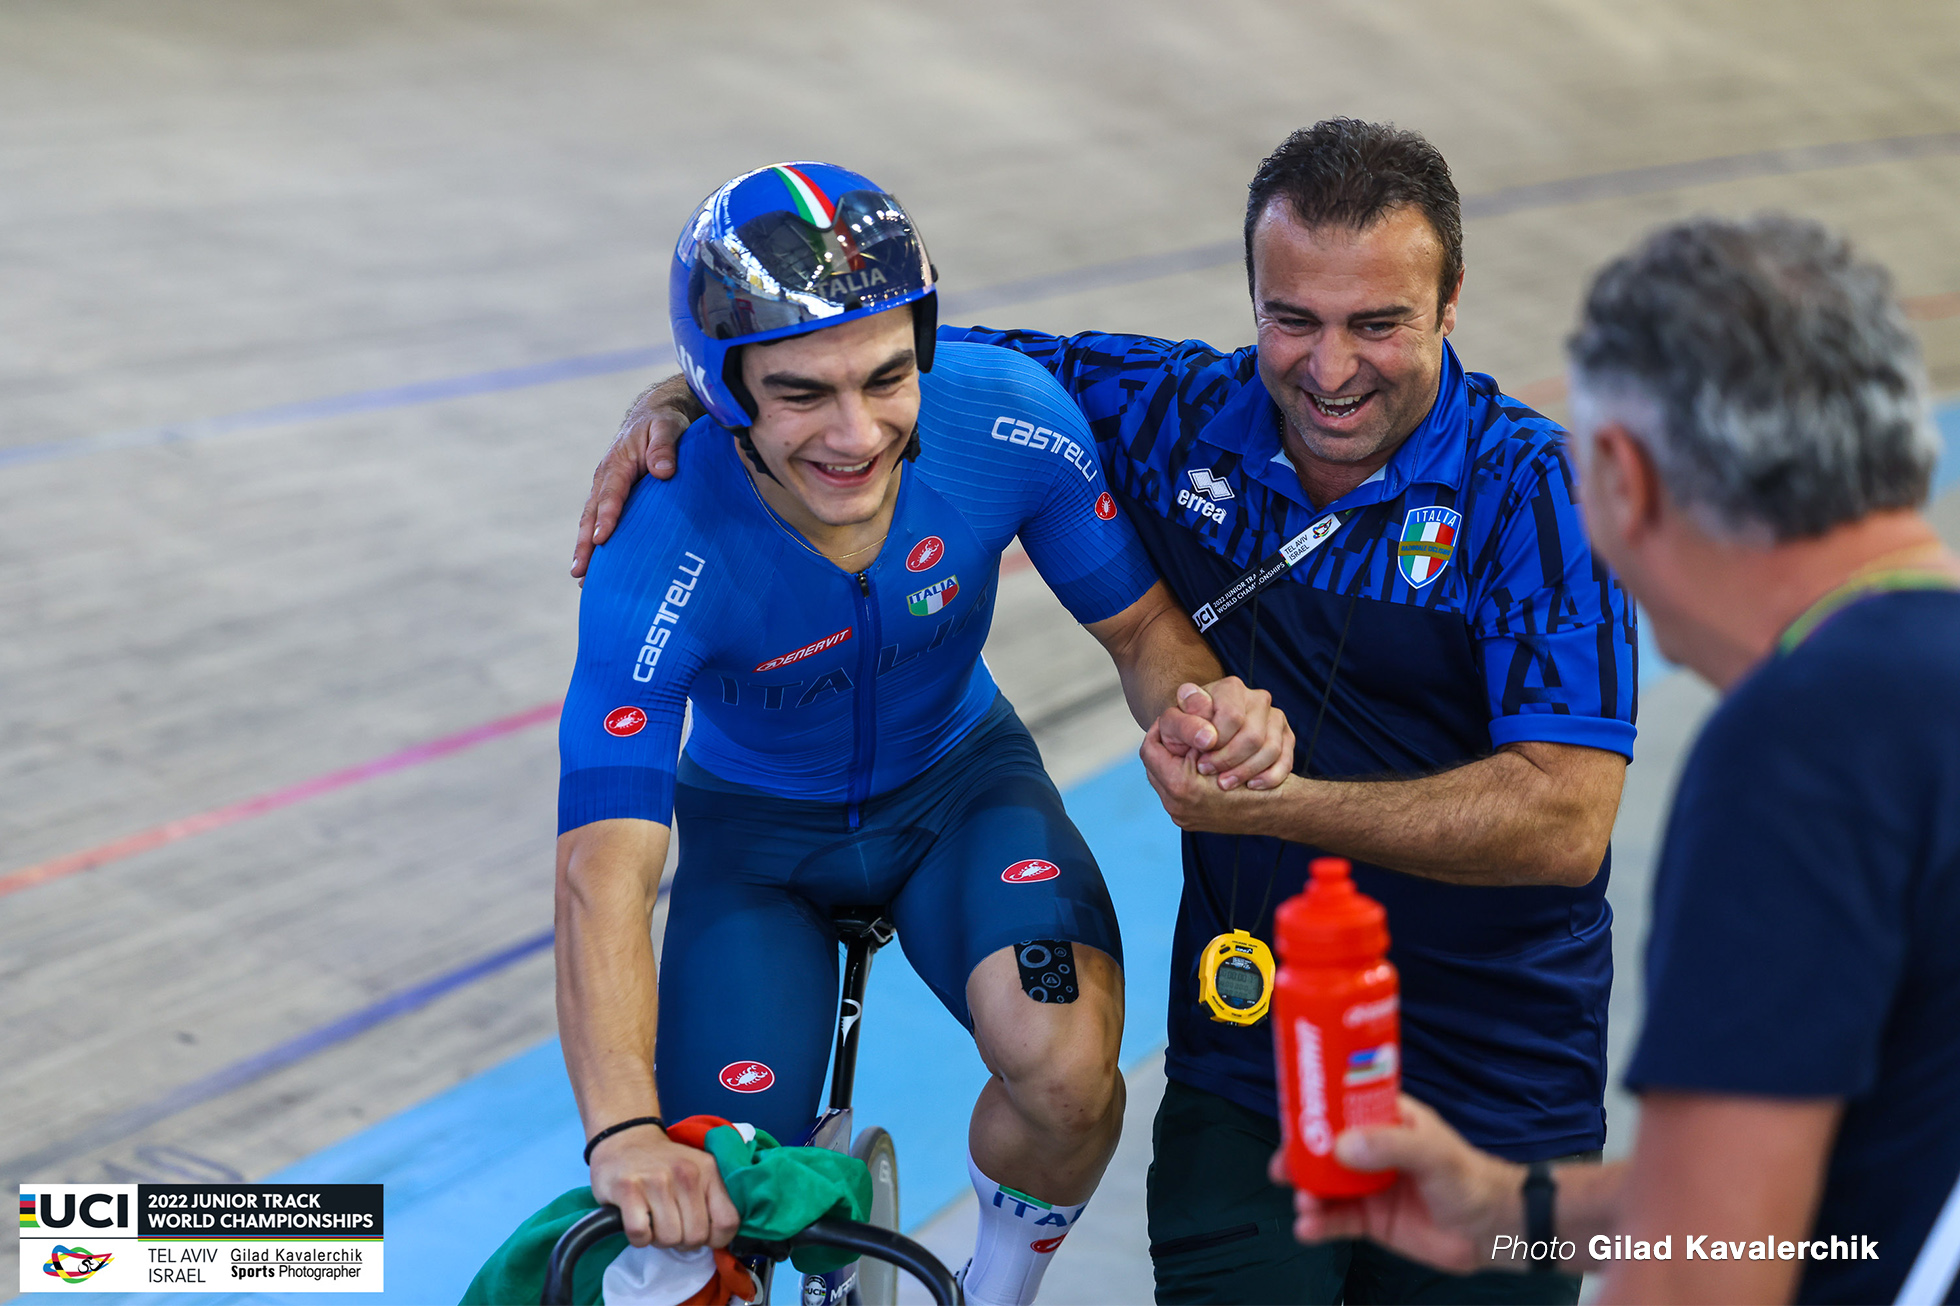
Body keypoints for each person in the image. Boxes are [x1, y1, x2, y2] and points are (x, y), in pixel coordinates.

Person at [579, 120, 1637, 1306]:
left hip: (1496, 1079)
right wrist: (689, 392)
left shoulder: (1540, 492)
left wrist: (1286, 806)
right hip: (1258, 1060)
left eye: (1377, 323)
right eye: (1292, 319)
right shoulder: (1168, 412)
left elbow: (1565, 819)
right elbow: (870, 360)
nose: (1330, 368)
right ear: (1251, 299)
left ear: (1450, 304)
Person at [557, 160, 1294, 1306]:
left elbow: (1145, 632)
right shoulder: (656, 547)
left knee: (1065, 1073)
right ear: (720, 388)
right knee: (703, 1211)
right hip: (758, 844)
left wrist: (1206, 709)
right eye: (800, 393)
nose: (856, 433)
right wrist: (622, 1136)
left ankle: (993, 1288)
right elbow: (601, 877)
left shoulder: (1005, 419)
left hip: (961, 788)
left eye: (886, 378)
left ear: (924, 348)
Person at [1279, 214, 1960, 1306]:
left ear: (1622, 479)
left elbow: (1711, 1268)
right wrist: (1515, 1218)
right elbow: (1829, 1180)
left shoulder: (1804, 748)